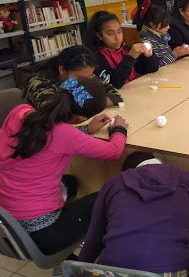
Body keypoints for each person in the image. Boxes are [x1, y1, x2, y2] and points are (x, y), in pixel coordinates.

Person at [0, 77, 127, 256]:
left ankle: (70, 240)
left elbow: (49, 137)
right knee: (113, 194)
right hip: (41, 233)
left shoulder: (20, 112)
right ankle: (86, 258)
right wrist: (119, 130)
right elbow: (113, 152)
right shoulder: (63, 134)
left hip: (7, 222)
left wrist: (84, 130)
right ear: (80, 118)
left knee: (70, 182)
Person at [79, 151, 189, 275]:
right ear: (158, 162)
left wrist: (78, 269)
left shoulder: (112, 185)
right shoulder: (184, 178)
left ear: (128, 172)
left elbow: (92, 243)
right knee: (188, 236)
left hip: (115, 272)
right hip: (173, 270)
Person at [24, 45, 122, 110]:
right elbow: (54, 113)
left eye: (88, 78)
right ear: (62, 70)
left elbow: (115, 96)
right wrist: (87, 100)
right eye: (79, 78)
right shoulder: (39, 83)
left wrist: (89, 103)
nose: (85, 82)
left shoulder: (84, 76)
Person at [86, 10, 159, 89]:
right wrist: (130, 57)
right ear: (99, 35)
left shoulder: (125, 49)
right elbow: (115, 83)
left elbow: (152, 69)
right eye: (110, 34)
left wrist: (149, 56)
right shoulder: (96, 57)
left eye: (119, 31)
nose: (117, 38)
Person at [134, 0, 189, 67]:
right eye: (165, 24)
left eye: (168, 24)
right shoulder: (148, 42)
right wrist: (175, 54)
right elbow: (156, 66)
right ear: (152, 24)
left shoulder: (161, 37)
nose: (168, 27)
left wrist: (181, 52)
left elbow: (168, 59)